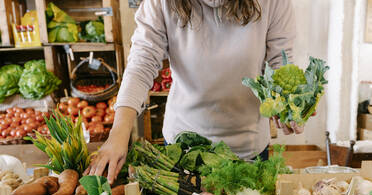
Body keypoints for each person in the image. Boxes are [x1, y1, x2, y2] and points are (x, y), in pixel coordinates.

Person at [84, 0, 303, 184]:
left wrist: (287, 100)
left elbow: (280, 61)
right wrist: (118, 135)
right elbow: (141, 64)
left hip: (247, 146)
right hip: (183, 148)